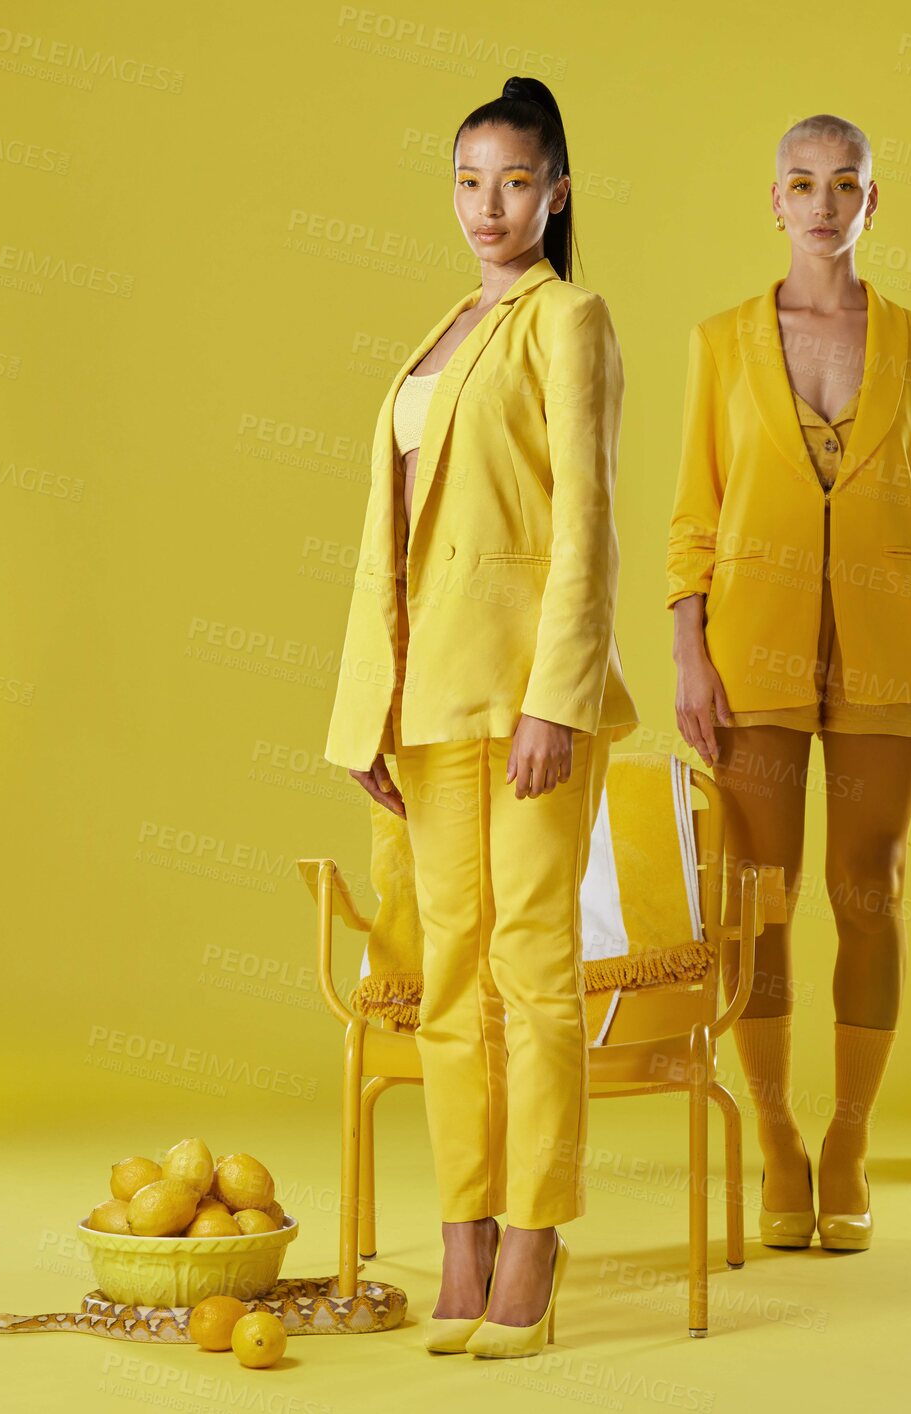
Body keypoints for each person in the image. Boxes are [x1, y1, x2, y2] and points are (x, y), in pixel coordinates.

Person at [323, 75, 638, 1357]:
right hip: (427, 705)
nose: (489, 206)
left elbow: (588, 525)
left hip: (524, 704)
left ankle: (538, 1236)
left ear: (557, 190)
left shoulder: (570, 320)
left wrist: (557, 699)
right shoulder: (448, 325)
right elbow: (389, 545)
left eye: (514, 181)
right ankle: (462, 1236)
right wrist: (370, 714)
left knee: (532, 964)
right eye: (468, 181)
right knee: (443, 975)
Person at [665, 113, 911, 1253]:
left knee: (871, 885)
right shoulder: (719, 342)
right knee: (758, 891)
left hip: (891, 649)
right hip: (751, 649)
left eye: (847, 183)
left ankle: (847, 1139)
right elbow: (693, 517)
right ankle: (778, 1140)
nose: (825, 201)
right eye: (803, 182)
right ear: (776, 202)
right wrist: (690, 649)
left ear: (872, 203)